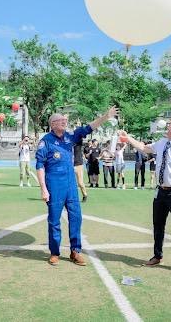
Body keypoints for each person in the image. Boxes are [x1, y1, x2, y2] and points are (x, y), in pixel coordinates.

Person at [36, 106, 118, 266]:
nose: (64, 121)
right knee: (54, 220)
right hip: (54, 184)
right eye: (61, 120)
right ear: (52, 124)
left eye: (65, 120)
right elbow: (40, 165)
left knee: (76, 217)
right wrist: (43, 189)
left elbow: (89, 127)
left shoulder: (71, 136)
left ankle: (75, 251)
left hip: (70, 184)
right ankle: (54, 252)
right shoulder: (45, 141)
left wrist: (105, 117)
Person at [118, 118, 171, 277]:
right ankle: (157, 256)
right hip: (160, 192)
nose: (168, 125)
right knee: (158, 225)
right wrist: (128, 138)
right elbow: (144, 148)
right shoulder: (162, 142)